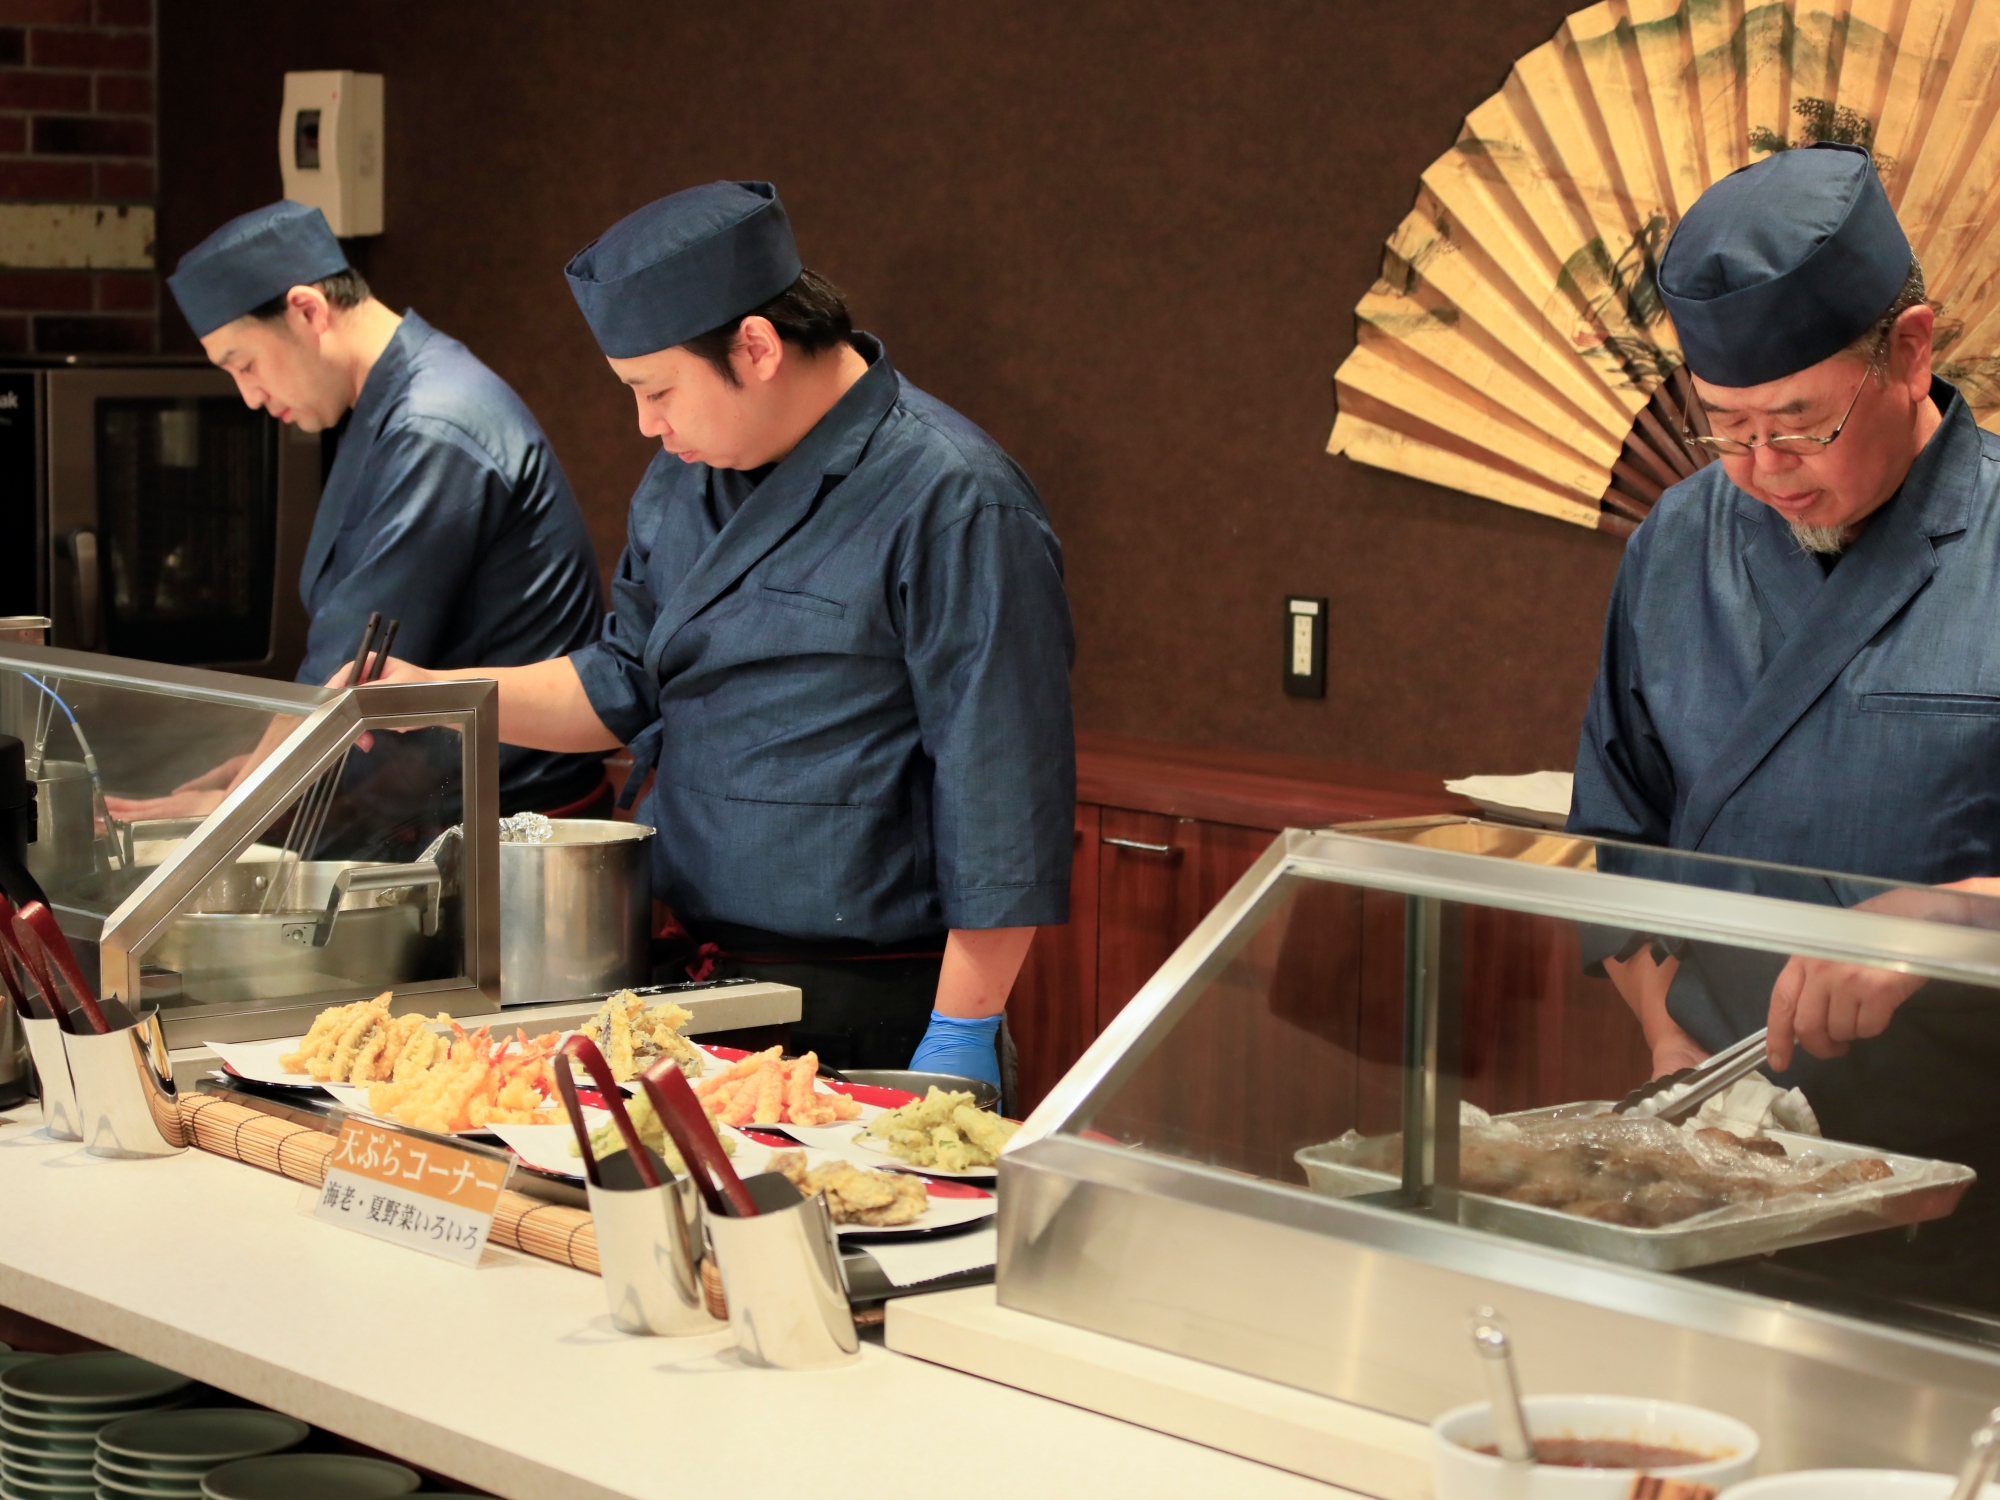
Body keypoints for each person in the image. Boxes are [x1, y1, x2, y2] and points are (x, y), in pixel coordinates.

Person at [365, 181, 1075, 1085]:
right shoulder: (684, 481)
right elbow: (623, 679)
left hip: (871, 1008)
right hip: (690, 990)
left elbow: (1003, 800)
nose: (646, 425)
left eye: (656, 390)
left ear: (756, 346)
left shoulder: (954, 499)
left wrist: (960, 1033)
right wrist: (440, 698)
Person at [1568, 142, 2000, 1303]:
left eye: (1798, 425)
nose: (1761, 470)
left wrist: (1955, 916)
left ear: (1908, 352)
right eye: (1725, 425)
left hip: (1969, 1197)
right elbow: (1621, 835)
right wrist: (1668, 1043)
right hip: (1727, 1178)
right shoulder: (1675, 540)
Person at [109, 200, 608, 824]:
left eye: (246, 364)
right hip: (429, 798)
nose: (251, 397)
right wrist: (253, 770)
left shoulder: (433, 424)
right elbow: (336, 657)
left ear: (308, 310)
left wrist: (238, 806)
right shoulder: (388, 403)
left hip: (508, 823)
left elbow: (356, 661)